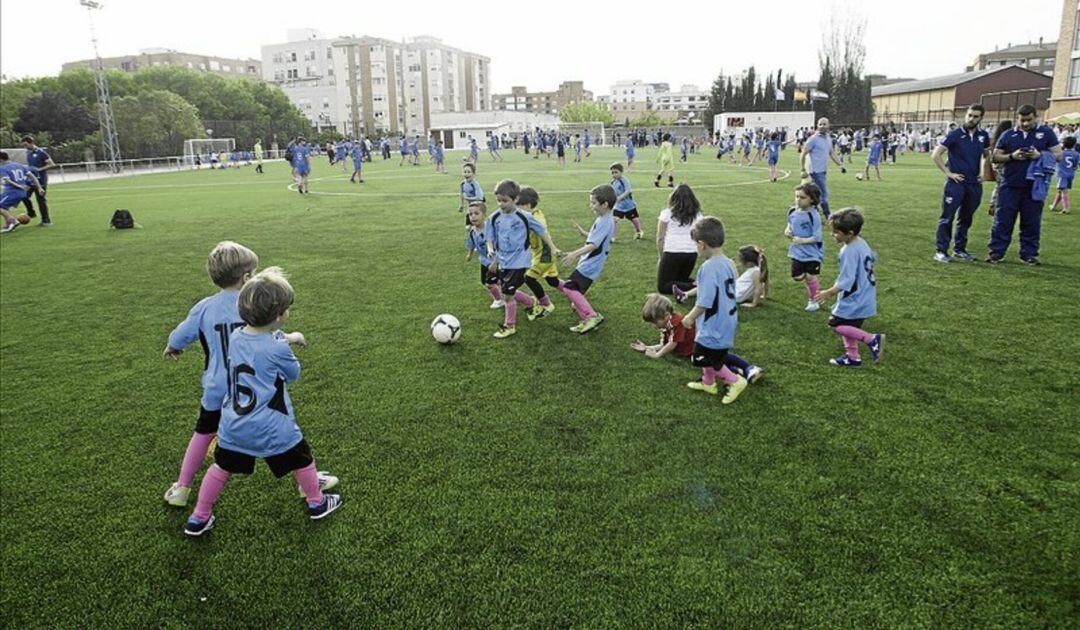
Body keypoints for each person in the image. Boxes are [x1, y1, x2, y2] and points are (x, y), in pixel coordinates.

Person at [183, 267, 342, 536]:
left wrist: (288, 337)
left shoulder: (236, 337)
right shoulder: (277, 348)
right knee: (302, 458)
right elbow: (292, 375)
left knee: (221, 468)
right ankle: (317, 503)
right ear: (279, 316)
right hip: (272, 426)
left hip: (233, 426)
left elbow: (262, 341)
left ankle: (199, 516)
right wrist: (288, 345)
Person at [162, 241, 260, 507]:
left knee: (203, 433)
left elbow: (181, 334)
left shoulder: (206, 307)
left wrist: (173, 346)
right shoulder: (256, 303)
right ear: (246, 277)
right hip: (254, 388)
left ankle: (182, 487)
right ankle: (307, 482)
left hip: (217, 388)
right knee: (283, 435)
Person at [679, 217, 749, 404]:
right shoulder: (729, 262)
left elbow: (705, 302)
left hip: (714, 323)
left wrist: (689, 317)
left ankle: (735, 381)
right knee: (713, 355)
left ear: (701, 245)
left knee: (702, 358)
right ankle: (708, 383)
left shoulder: (708, 268)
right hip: (728, 318)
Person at [484, 180, 561, 339]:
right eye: (498, 200)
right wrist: (491, 251)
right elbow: (490, 237)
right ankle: (530, 301)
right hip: (502, 260)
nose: (501, 204)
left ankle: (509, 326)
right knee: (498, 284)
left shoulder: (525, 217)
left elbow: (542, 232)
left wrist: (553, 247)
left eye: (505, 201)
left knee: (507, 295)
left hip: (519, 262)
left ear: (515, 199)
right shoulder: (494, 217)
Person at [987, 104, 1062, 265]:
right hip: (1009, 184)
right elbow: (995, 156)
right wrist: (1012, 156)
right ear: (1017, 118)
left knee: (1031, 221)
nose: (1025, 123)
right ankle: (996, 252)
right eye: (1022, 120)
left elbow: (1059, 155)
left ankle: (1029, 254)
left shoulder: (1046, 133)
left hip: (1034, 185)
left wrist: (1039, 155)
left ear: (1036, 117)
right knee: (1003, 220)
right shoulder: (1008, 134)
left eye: (1029, 120)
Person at [633, 293, 764, 383]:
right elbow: (665, 343)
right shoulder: (668, 324)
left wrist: (657, 356)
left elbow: (671, 344)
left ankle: (749, 367)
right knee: (716, 364)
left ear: (666, 315)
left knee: (722, 357)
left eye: (655, 322)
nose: (654, 325)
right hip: (693, 352)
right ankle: (740, 372)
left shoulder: (677, 322)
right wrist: (647, 348)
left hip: (704, 347)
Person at [813, 209, 884, 367]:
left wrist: (829, 292)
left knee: (836, 324)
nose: (833, 235)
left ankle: (872, 339)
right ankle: (853, 357)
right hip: (866, 293)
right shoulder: (861, 241)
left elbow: (848, 279)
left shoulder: (848, 250)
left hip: (855, 296)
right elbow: (873, 257)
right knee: (849, 325)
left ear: (850, 233)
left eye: (836, 232)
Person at [550, 185, 615, 334]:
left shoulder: (605, 221)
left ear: (604, 204)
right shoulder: (604, 218)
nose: (590, 205)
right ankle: (586, 320)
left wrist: (574, 254)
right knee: (575, 292)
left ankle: (592, 316)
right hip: (591, 262)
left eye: (593, 203)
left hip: (591, 263)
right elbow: (597, 239)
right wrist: (584, 233)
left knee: (569, 288)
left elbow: (593, 245)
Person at [931, 105, 991, 263]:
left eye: (976, 116)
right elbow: (936, 155)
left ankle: (960, 249)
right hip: (956, 183)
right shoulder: (955, 134)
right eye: (970, 115)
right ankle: (941, 251)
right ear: (965, 115)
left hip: (974, 184)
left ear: (981, 118)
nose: (972, 119)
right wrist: (948, 173)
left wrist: (984, 173)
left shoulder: (983, 136)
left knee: (966, 218)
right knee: (947, 217)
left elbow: (986, 155)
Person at [516, 187, 558, 322]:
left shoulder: (534, 218)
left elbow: (541, 229)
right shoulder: (534, 213)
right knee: (553, 281)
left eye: (519, 206)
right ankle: (575, 292)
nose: (517, 209)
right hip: (540, 254)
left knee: (528, 278)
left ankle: (546, 304)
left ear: (528, 205)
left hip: (544, 256)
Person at [786, 183, 826, 312]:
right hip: (797, 252)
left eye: (802, 197)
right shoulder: (792, 211)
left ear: (812, 200)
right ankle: (812, 286)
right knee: (797, 277)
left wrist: (802, 240)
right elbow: (789, 224)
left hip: (813, 253)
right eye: (797, 196)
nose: (798, 199)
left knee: (811, 277)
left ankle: (813, 300)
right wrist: (787, 230)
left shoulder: (813, 216)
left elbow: (817, 237)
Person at [657, 184, 703, 296]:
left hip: (672, 252)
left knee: (663, 287)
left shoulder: (667, 213)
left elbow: (660, 238)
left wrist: (661, 257)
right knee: (680, 279)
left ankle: (699, 286)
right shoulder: (697, 215)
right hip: (691, 254)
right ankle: (696, 285)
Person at [800, 117, 846, 218]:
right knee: (824, 193)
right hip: (815, 171)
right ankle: (828, 216)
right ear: (817, 126)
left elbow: (832, 153)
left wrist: (840, 165)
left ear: (828, 125)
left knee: (814, 194)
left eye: (824, 124)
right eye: (820, 124)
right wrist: (803, 169)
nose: (822, 126)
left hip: (823, 170)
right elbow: (803, 153)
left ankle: (810, 212)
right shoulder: (813, 139)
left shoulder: (828, 138)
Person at [464, 202, 504, 310]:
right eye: (470, 214)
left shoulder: (491, 229)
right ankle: (503, 287)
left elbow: (500, 246)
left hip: (495, 262)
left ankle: (499, 300)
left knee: (489, 284)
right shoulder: (473, 231)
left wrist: (495, 262)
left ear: (484, 215)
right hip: (484, 261)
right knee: (487, 281)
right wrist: (469, 254)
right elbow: (471, 244)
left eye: (476, 213)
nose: (473, 216)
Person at [0, 151, 44, 233]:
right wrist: (40, 188)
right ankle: (8, 224)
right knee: (4, 207)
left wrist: (19, 186)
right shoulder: (19, 165)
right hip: (21, 193)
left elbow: (7, 180)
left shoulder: (3, 168)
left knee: (1, 207)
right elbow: (32, 176)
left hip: (12, 192)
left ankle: (13, 221)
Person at [21, 136, 54, 226]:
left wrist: (40, 169)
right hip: (30, 180)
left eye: (26, 145)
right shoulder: (28, 153)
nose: (25, 147)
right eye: (24, 146)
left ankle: (46, 221)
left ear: (31, 143)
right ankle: (31, 213)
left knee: (40, 200)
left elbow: (51, 164)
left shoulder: (41, 152)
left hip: (41, 180)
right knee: (23, 195)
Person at [610, 163, 641, 241]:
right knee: (614, 220)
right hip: (619, 206)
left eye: (616, 172)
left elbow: (628, 191)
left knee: (634, 220)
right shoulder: (613, 182)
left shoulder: (624, 180)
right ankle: (613, 236)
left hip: (629, 206)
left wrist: (619, 198)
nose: (614, 174)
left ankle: (638, 232)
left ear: (621, 172)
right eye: (612, 172)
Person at [1050, 135, 1078, 213]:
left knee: (1063, 191)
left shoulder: (1061, 153)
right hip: (1071, 174)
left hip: (1062, 174)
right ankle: (1053, 206)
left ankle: (1066, 208)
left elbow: (1055, 160)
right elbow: (1075, 165)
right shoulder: (1076, 154)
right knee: (1060, 190)